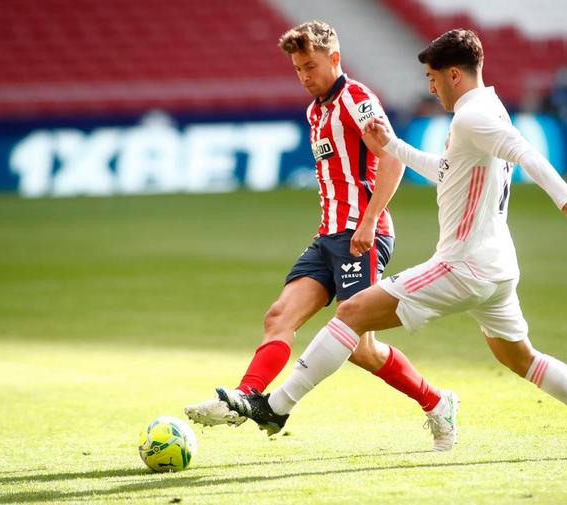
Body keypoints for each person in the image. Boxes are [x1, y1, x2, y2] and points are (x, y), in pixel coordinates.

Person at [218, 29, 567, 456]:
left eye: (432, 77)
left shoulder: (471, 117)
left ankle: (276, 405)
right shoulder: (488, 108)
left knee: (350, 314)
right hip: (498, 270)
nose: (430, 86)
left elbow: (525, 152)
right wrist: (394, 146)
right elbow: (447, 171)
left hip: (462, 264)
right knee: (522, 359)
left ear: (454, 75)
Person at [185, 20, 460, 452]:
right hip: (327, 236)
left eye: (311, 66)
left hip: (360, 236)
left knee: (360, 347)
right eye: (297, 69)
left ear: (335, 58)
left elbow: (393, 162)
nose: (305, 76)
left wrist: (368, 221)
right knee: (279, 316)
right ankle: (245, 396)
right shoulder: (315, 111)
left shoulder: (357, 99)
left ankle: (437, 401)